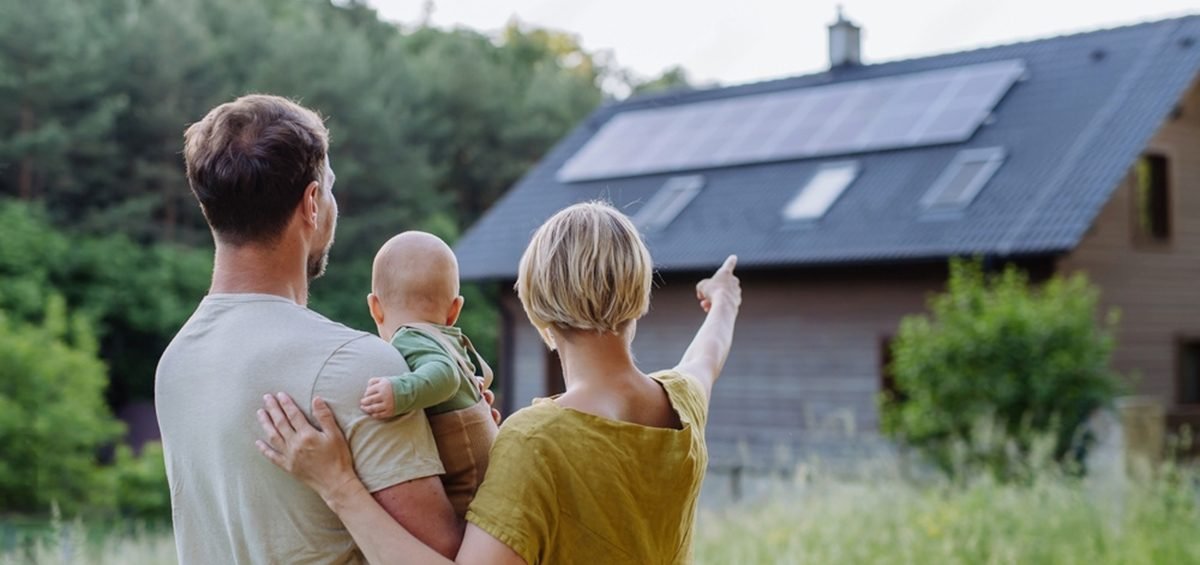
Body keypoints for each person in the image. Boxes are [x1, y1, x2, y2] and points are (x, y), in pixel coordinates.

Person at [256, 201, 742, 564]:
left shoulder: (534, 441)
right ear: (639, 294)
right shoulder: (682, 403)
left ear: (537, 306)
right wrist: (724, 301)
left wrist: (338, 486)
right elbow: (707, 356)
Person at [156, 94, 466, 564]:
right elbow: (448, 555)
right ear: (313, 203)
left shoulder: (175, 364)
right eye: (331, 187)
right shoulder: (358, 366)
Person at [359, 231, 500, 518]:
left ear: (375, 307)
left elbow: (445, 376)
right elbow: (456, 377)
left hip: (468, 481)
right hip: (491, 471)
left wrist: (398, 392)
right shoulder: (446, 339)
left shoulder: (408, 337)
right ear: (454, 311)